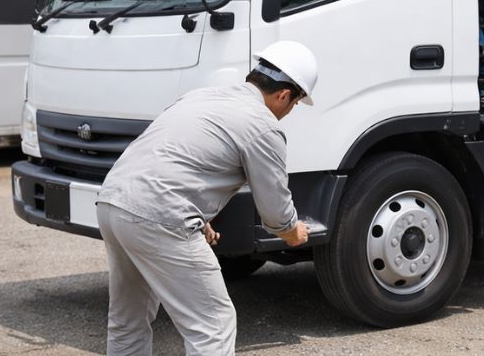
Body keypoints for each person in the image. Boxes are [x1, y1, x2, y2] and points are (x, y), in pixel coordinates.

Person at [95, 40, 319, 355]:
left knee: (127, 319)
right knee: (213, 325)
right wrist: (293, 231)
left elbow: (178, 159)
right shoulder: (263, 125)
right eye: (294, 104)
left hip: (113, 201)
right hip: (159, 215)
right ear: (284, 95)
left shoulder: (202, 96)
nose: (290, 111)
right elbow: (275, 213)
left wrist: (199, 219)